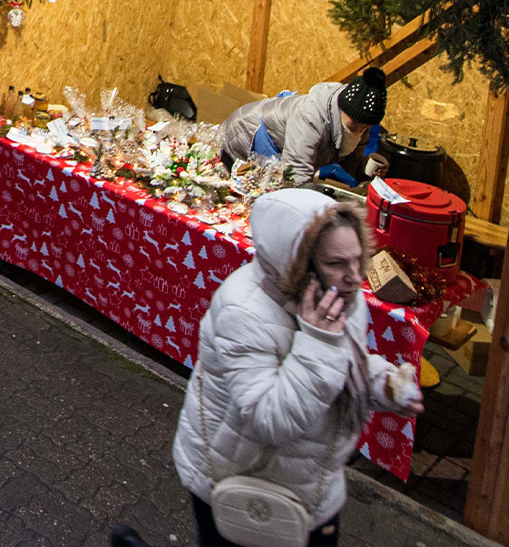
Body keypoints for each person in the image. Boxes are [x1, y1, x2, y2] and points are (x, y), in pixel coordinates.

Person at [172, 187, 423, 547]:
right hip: (243, 485)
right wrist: (319, 342)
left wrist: (384, 385)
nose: (355, 277)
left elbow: (343, 361)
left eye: (358, 259)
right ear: (298, 263)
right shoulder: (243, 310)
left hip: (308, 485)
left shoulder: (336, 296)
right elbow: (269, 418)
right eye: (337, 264)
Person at [218, 68, 386, 186]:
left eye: (365, 127)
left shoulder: (358, 123)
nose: (359, 131)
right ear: (342, 110)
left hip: (280, 156)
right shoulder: (311, 119)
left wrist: (365, 169)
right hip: (244, 137)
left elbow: (348, 160)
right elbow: (296, 177)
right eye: (355, 125)